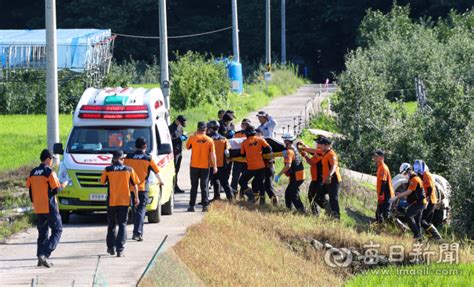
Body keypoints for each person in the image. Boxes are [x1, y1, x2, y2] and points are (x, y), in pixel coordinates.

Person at [26, 149, 68, 268]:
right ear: (48, 159)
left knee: (42, 233)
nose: (53, 162)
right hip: (49, 206)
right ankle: (45, 254)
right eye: (52, 160)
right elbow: (55, 189)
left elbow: (28, 187)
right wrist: (63, 185)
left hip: (38, 206)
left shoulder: (33, 172)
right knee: (57, 230)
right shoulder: (49, 172)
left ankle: (40, 257)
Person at [101, 151, 140, 257]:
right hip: (124, 201)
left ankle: (110, 247)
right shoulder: (129, 169)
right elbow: (135, 185)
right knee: (122, 224)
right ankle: (120, 249)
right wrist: (136, 197)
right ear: (122, 158)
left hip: (112, 201)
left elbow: (102, 181)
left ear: (113, 159)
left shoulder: (107, 169)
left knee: (111, 225)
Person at [124, 137, 163, 241]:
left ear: (135, 146)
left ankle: (137, 232)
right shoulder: (148, 158)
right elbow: (156, 171)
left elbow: (123, 171)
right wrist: (161, 181)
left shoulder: (128, 157)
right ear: (145, 146)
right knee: (141, 210)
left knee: (136, 210)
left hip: (131, 189)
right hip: (142, 188)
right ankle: (138, 233)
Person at [186, 122, 218, 212]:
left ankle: (191, 206)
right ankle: (205, 206)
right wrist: (215, 166)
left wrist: (194, 136)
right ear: (206, 129)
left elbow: (187, 147)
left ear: (197, 129)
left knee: (194, 186)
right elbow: (213, 154)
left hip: (194, 166)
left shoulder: (192, 138)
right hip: (205, 166)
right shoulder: (210, 140)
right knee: (204, 186)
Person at [390, 164, 427, 240]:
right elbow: (409, 194)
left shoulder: (414, 179)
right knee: (417, 221)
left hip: (419, 203)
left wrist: (397, 196)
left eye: (404, 174)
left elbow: (408, 192)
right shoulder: (413, 178)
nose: (404, 176)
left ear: (408, 170)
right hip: (420, 202)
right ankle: (419, 239)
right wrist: (400, 194)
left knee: (408, 216)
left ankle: (417, 235)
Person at [239, 125, 272, 205]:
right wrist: (261, 152)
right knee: (260, 183)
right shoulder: (260, 140)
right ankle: (262, 201)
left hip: (251, 167)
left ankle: (251, 195)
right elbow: (269, 148)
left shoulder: (244, 143)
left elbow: (242, 155)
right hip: (261, 166)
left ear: (246, 134)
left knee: (242, 181)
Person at [275, 133, 305, 212]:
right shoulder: (293, 148)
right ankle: (289, 209)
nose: (284, 142)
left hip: (297, 175)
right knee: (288, 193)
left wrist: (279, 175)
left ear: (287, 141)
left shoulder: (289, 151)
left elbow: (288, 166)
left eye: (284, 141)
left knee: (292, 193)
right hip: (298, 175)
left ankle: (301, 210)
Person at [414, 160, 442, 240]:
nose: (419, 174)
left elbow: (429, 189)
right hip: (430, 201)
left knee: (421, 220)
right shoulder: (422, 174)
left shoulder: (427, 175)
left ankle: (436, 236)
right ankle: (432, 238)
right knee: (427, 222)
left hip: (430, 201)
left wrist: (427, 200)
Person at [207, 120, 233, 201]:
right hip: (223, 163)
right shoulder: (224, 139)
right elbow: (227, 152)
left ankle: (217, 197)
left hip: (212, 164)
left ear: (211, 129)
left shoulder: (209, 139)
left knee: (215, 180)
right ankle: (230, 197)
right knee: (224, 181)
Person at [318, 136, 342, 219]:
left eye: (322, 144)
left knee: (333, 198)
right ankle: (329, 212)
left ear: (327, 145)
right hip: (327, 179)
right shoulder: (325, 153)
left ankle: (336, 217)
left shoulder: (331, 154)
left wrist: (329, 175)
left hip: (333, 179)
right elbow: (314, 151)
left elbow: (334, 166)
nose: (320, 146)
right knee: (320, 194)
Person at [300, 141, 326, 215]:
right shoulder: (319, 151)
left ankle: (328, 208)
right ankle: (315, 213)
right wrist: (304, 145)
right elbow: (311, 152)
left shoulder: (321, 153)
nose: (316, 144)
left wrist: (305, 155)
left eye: (318, 143)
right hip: (315, 179)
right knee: (311, 196)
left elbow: (311, 162)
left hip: (319, 179)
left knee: (317, 197)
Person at [256, 128, 278, 206]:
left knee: (268, 186)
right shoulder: (255, 144)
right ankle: (262, 203)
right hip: (260, 168)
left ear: (261, 135)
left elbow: (271, 153)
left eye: (257, 134)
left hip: (268, 167)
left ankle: (274, 201)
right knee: (260, 185)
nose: (256, 136)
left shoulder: (266, 142)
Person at [230, 119, 251, 198]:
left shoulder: (252, 134)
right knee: (235, 177)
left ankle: (243, 194)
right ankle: (233, 194)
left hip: (247, 161)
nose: (246, 126)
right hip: (238, 160)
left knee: (244, 179)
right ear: (241, 125)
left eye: (247, 124)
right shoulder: (237, 134)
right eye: (244, 124)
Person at [373, 149, 394, 224]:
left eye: (376, 156)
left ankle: (392, 227)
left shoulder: (383, 168)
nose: (374, 158)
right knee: (379, 213)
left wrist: (381, 195)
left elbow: (383, 182)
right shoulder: (379, 166)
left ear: (382, 157)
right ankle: (380, 227)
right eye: (374, 156)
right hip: (383, 194)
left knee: (384, 214)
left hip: (386, 194)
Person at [169, 115, 187, 193]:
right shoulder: (170, 128)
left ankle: (175, 186)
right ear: (177, 121)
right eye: (181, 123)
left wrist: (183, 137)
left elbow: (181, 136)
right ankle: (173, 187)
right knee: (173, 170)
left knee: (177, 170)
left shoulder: (180, 128)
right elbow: (169, 140)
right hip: (173, 153)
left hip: (179, 151)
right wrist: (177, 139)